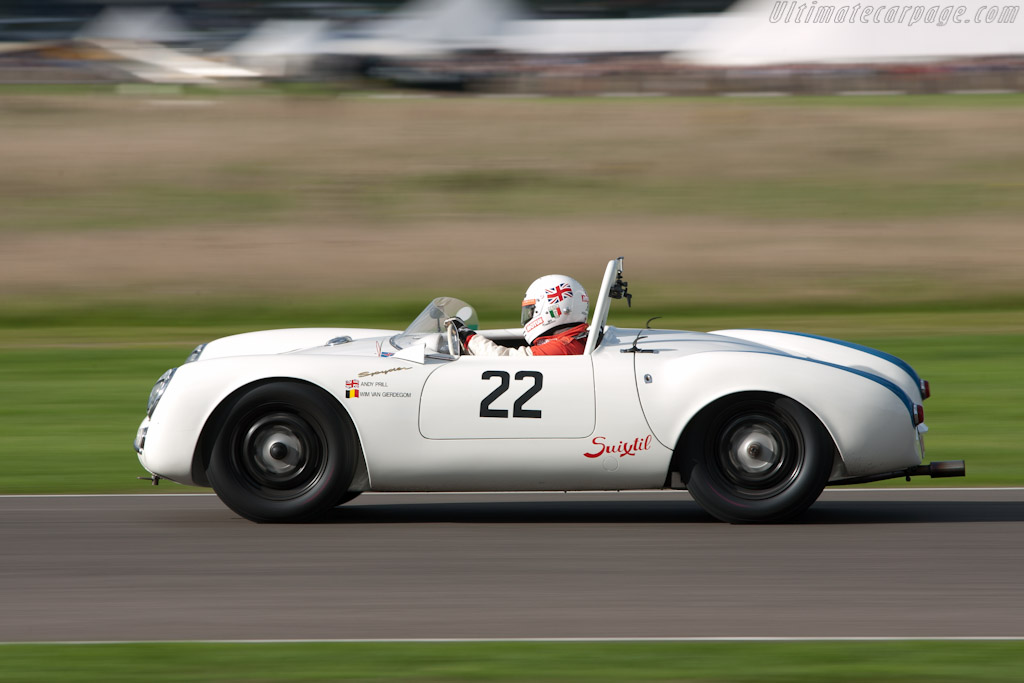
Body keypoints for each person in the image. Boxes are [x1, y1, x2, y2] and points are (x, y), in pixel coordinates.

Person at [448, 275, 589, 356]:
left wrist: (468, 338)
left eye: (531, 310)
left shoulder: (563, 347)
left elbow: (505, 360)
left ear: (552, 309)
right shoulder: (578, 341)